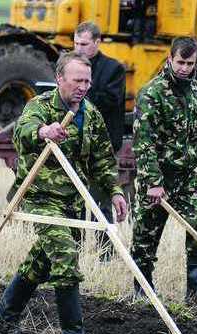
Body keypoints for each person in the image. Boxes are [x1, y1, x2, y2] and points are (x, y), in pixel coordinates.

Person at [0, 51, 128, 334]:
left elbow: (103, 161)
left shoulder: (91, 114)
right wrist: (44, 131)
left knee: (44, 259)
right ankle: (73, 333)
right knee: (65, 255)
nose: (83, 87)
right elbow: (22, 132)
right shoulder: (40, 107)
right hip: (41, 196)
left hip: (72, 200)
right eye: (77, 80)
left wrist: (116, 191)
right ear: (60, 79)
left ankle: (7, 310)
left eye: (87, 81)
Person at [131, 36, 197, 303]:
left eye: (189, 63)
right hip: (157, 176)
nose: (184, 68)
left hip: (185, 177)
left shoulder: (196, 89)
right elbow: (144, 143)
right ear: (170, 59)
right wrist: (153, 182)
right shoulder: (152, 93)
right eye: (180, 62)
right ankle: (142, 288)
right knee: (146, 234)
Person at [74, 21, 126, 260]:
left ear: (97, 42)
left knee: (102, 200)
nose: (78, 48)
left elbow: (110, 101)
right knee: (73, 201)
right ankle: (73, 251)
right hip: (75, 143)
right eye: (75, 43)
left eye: (83, 44)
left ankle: (106, 255)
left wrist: (79, 90)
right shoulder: (69, 66)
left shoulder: (113, 69)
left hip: (102, 147)